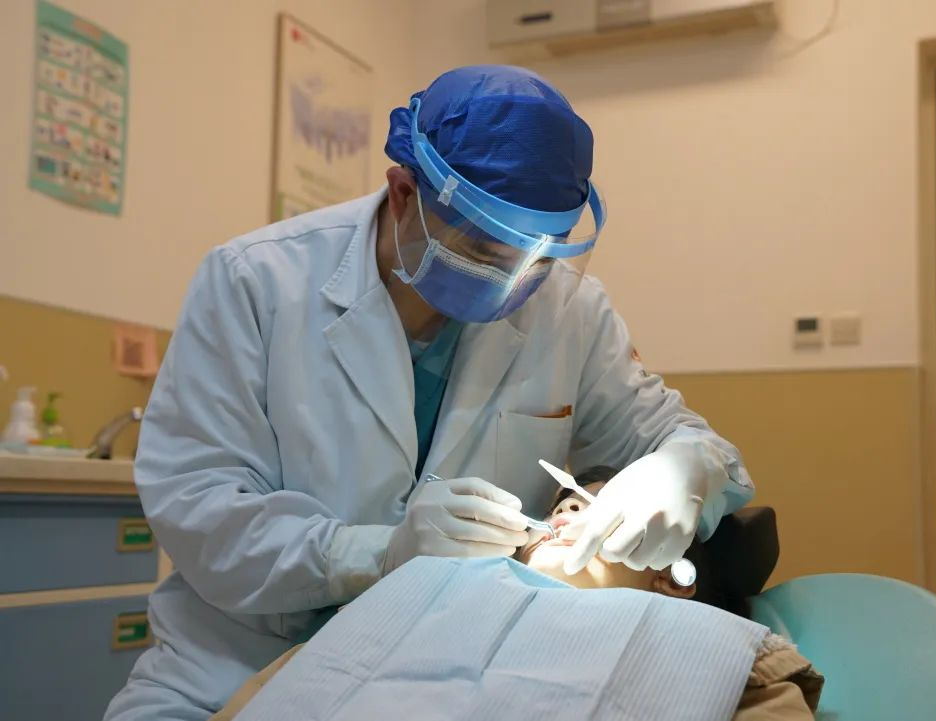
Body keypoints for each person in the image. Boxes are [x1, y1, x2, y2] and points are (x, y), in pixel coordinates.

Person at [105, 65, 754, 720]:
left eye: (539, 256)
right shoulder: (255, 282)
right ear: (403, 193)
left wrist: (685, 471)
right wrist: (378, 554)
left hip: (442, 683)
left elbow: (696, 446)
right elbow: (199, 509)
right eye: (483, 250)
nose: (514, 280)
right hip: (233, 673)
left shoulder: (571, 312)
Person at [210, 467, 821, 721]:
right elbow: (288, 691)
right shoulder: (426, 588)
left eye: (595, 510)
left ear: (669, 574)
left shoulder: (716, 645)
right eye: (563, 505)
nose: (566, 514)